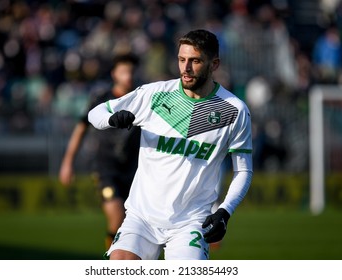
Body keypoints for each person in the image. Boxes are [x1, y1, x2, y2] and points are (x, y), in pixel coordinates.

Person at [88, 29, 253, 260]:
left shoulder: (234, 110)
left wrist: (225, 211)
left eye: (195, 61)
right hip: (141, 218)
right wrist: (111, 119)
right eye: (181, 59)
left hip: (191, 223)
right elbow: (96, 113)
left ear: (214, 64)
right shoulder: (154, 94)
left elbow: (243, 170)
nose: (185, 68)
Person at [59, 53, 141, 249]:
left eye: (130, 71)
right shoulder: (102, 99)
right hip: (105, 166)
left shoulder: (141, 98)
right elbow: (81, 128)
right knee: (117, 216)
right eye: (123, 71)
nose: (128, 76)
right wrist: (67, 162)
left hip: (134, 169)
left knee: (135, 224)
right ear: (114, 74)